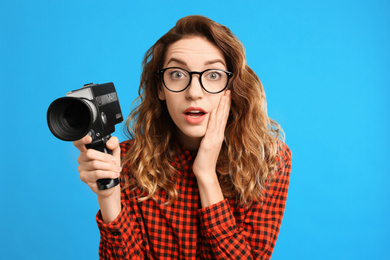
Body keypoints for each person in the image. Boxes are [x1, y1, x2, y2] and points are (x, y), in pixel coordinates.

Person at [73, 15, 292, 260]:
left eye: (212, 75)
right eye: (177, 74)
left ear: (233, 86)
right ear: (160, 87)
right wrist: (108, 195)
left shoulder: (269, 160)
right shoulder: (125, 161)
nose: (194, 93)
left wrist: (206, 174)